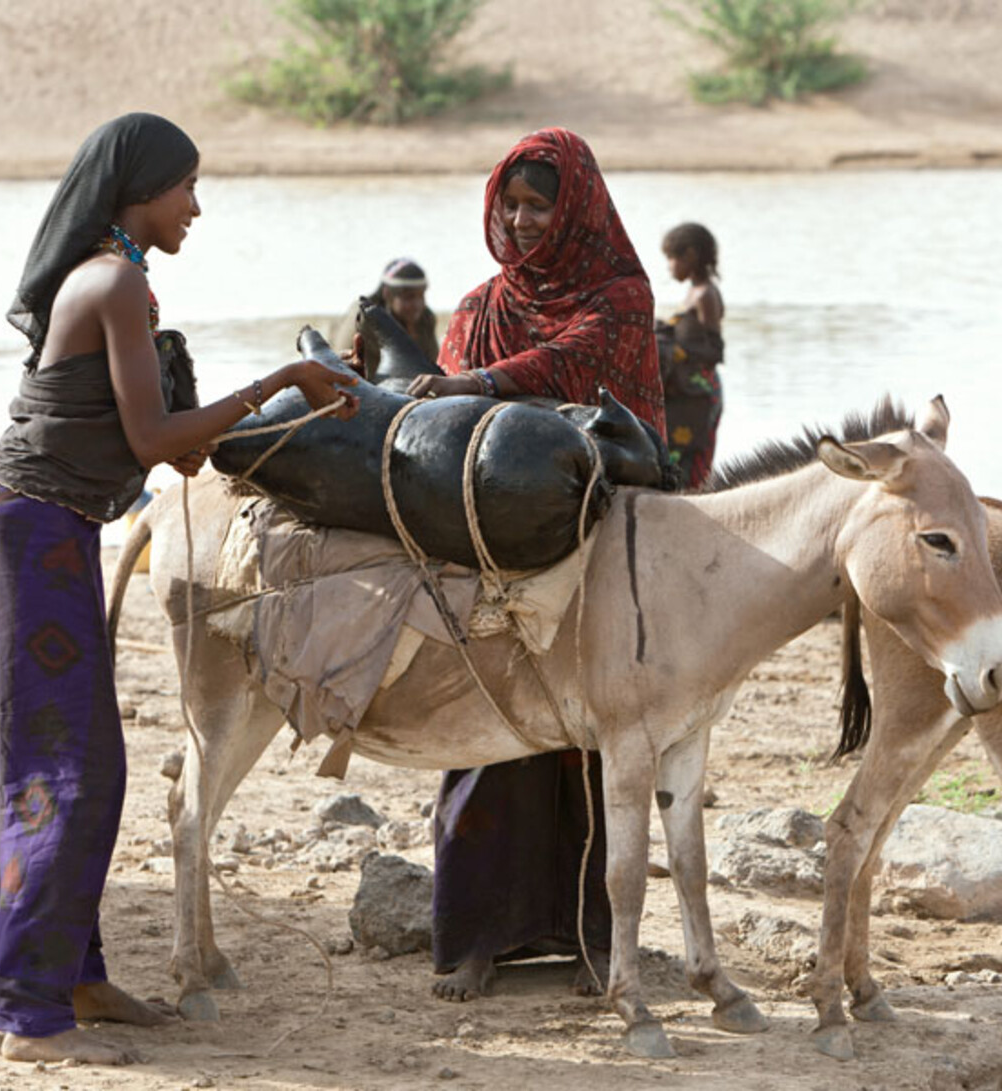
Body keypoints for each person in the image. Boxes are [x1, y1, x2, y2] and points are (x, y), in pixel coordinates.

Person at [0, 112, 357, 1067]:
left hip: (39, 526)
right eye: (187, 188)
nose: (197, 207)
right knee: (64, 768)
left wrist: (235, 420)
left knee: (78, 758)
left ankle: (74, 977)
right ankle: (31, 1018)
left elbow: (170, 441)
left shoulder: (109, 277)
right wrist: (287, 377)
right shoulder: (119, 280)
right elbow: (153, 444)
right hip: (28, 531)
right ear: (140, 189)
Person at [407, 127, 664, 1004]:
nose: (519, 220)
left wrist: (480, 387)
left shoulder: (622, 298)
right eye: (509, 203)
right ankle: (473, 940)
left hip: (594, 558)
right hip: (489, 559)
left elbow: (578, 366)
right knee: (486, 738)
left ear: (576, 209)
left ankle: (591, 940)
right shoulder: (478, 308)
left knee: (587, 744)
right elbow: (444, 443)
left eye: (538, 205)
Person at [656, 222, 725, 489]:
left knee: (690, 465)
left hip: (701, 393)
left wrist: (677, 351)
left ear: (691, 256)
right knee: (674, 458)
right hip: (687, 393)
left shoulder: (707, 294)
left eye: (672, 258)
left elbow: (715, 350)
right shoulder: (693, 291)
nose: (670, 266)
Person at [332, 257, 440, 365]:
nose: (418, 304)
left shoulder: (425, 319)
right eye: (409, 297)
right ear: (387, 294)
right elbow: (342, 366)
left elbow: (433, 366)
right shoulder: (362, 318)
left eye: (421, 296)